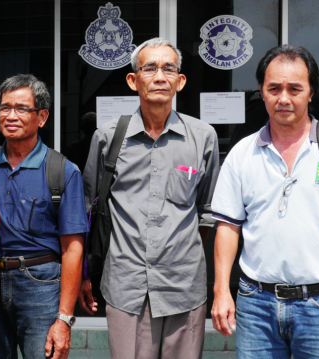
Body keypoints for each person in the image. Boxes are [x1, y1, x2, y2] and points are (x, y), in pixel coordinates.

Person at [211, 44, 319, 359]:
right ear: (262, 92)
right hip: (256, 306)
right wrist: (221, 290)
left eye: (295, 88)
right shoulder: (243, 153)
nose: (283, 98)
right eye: (274, 88)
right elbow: (228, 226)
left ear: (311, 92)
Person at [79, 37, 220, 358]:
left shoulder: (202, 137)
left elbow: (208, 210)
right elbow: (89, 210)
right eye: (150, 68)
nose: (160, 77)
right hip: (126, 285)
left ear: (180, 81)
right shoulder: (108, 138)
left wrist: (179, 248)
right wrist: (87, 273)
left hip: (183, 285)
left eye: (169, 69)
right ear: (133, 80)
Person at [0, 74, 87, 359]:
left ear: (42, 117)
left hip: (41, 285)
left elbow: (72, 249)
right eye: (5, 108)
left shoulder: (62, 171)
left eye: (21, 109)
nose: (11, 116)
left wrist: (64, 319)